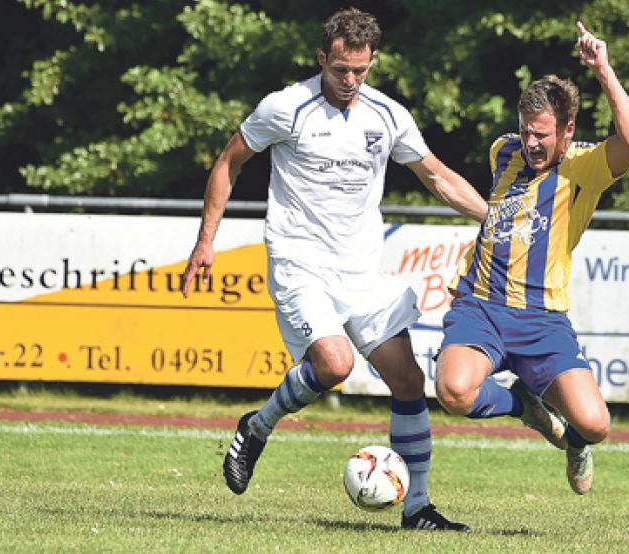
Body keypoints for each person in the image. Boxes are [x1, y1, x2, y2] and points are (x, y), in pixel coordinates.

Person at [180, 8, 485, 532]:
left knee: (410, 381)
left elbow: (436, 176)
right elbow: (229, 162)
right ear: (322, 58)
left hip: (361, 271)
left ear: (372, 63)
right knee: (335, 364)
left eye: (360, 71)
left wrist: (495, 220)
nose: (349, 81)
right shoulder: (286, 108)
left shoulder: (387, 116)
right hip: (300, 264)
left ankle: (417, 510)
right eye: (340, 69)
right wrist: (206, 240)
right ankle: (258, 426)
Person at [433, 21, 629, 495]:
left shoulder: (583, 167)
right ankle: (522, 406)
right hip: (481, 304)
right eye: (528, 131)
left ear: (568, 131)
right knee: (453, 391)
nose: (532, 143)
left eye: (544, 135)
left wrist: (604, 71)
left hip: (542, 319)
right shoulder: (501, 151)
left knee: (595, 424)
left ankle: (573, 440)